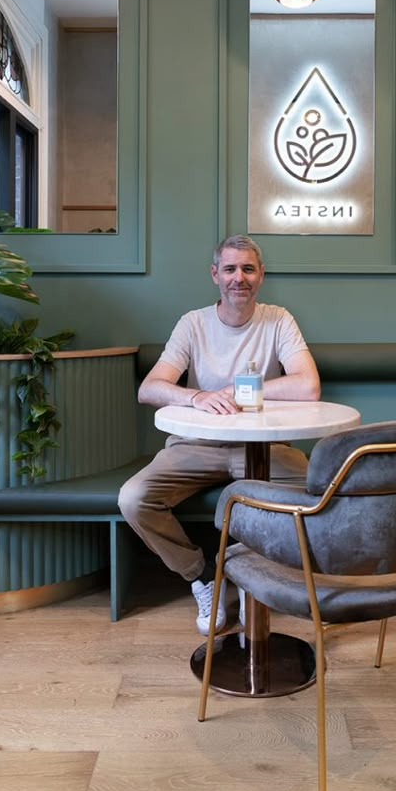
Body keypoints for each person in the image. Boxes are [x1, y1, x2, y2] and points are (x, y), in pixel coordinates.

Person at [118, 234, 321, 634]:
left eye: (248, 269)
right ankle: (201, 577)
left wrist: (240, 392)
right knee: (134, 499)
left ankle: (252, 579)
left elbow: (309, 386)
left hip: (265, 449)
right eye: (230, 269)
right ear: (215, 274)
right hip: (196, 448)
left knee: (321, 496)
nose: (238, 278)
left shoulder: (278, 319)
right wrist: (198, 397)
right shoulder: (192, 324)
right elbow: (149, 389)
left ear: (261, 275)